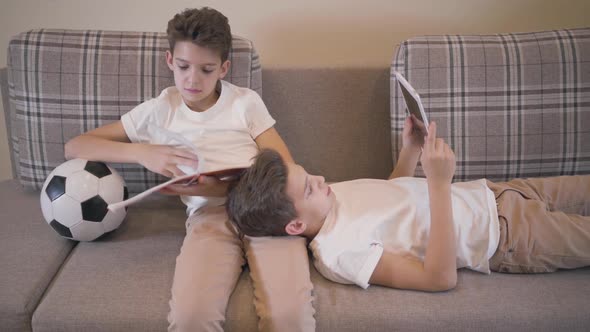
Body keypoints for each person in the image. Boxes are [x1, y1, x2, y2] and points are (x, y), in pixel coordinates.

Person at [64, 7, 315, 331]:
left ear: (224, 68)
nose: (192, 79)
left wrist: (234, 185)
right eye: (183, 67)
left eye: (206, 69)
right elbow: (75, 146)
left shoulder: (245, 102)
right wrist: (141, 152)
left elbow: (285, 165)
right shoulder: (158, 112)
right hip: (209, 217)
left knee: (291, 316)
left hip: (265, 208)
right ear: (170, 60)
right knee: (190, 318)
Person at [226, 117, 590, 292]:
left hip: (498, 192)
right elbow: (439, 278)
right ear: (294, 226)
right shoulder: (339, 253)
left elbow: (392, 198)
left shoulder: (328, 198)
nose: (321, 181)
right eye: (308, 189)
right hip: (510, 237)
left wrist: (411, 151)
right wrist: (438, 183)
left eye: (311, 175)